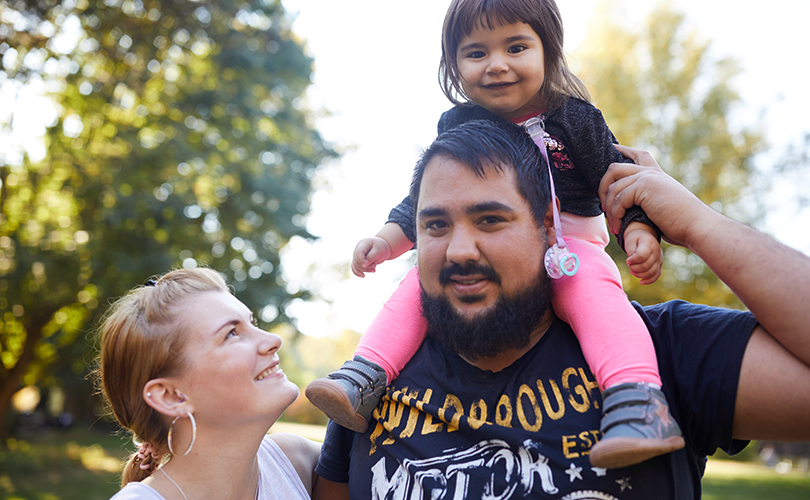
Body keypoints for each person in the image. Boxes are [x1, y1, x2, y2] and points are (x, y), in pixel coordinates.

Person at [310, 120, 810, 500]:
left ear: (550, 228)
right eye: (435, 225)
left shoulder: (662, 354)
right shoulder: (369, 387)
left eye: (490, 219)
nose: (459, 249)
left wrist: (701, 225)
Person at [307, 0, 676, 469]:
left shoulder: (577, 119)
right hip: (484, 247)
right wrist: (387, 240)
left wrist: (639, 230)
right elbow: (425, 201)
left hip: (570, 245)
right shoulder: (459, 125)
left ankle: (638, 400)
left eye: (516, 47)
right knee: (417, 289)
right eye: (476, 53)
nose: (497, 65)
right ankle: (364, 376)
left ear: (548, 50)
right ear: (454, 65)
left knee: (596, 298)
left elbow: (618, 179)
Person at [97, 268, 321, 500]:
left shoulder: (295, 460)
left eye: (252, 323)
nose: (273, 340)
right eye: (232, 333)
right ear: (171, 396)